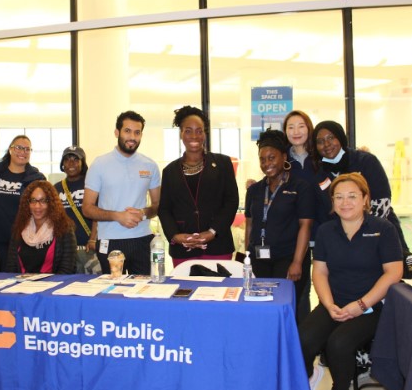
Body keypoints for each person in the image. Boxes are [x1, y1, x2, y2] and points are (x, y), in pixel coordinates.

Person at [299, 173, 403, 390]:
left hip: (371, 308)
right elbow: (320, 272)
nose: (345, 202)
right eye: (339, 197)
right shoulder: (326, 231)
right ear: (332, 202)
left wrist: (361, 305)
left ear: (365, 199)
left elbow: (394, 273)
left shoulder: (383, 229)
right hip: (334, 303)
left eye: (352, 196)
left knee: (339, 342)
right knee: (303, 338)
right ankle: (311, 375)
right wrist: (328, 304)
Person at [158, 106, 239, 267]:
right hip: (184, 249)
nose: (194, 136)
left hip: (218, 245)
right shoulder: (169, 171)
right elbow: (164, 209)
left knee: (219, 291)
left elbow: (231, 202)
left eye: (199, 131)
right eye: (188, 131)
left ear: (205, 133)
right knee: (186, 291)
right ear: (181, 133)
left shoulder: (223, 163)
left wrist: (212, 232)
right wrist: (175, 236)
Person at [82, 111, 161, 275]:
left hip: (142, 240)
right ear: (117, 132)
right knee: (111, 294)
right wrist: (118, 216)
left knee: (144, 291)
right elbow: (87, 208)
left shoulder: (150, 165)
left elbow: (157, 205)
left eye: (137, 132)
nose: (132, 137)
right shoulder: (99, 164)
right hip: (109, 241)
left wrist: (143, 213)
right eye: (127, 131)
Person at [312, 120, 409, 252]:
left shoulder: (365, 161)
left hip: (379, 235)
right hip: (342, 242)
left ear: (340, 137)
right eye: (320, 141)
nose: (326, 144)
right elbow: (323, 213)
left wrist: (362, 233)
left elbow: (382, 202)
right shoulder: (319, 173)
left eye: (331, 138)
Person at [244, 128, 314, 310]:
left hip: (288, 258)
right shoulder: (254, 190)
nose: (267, 163)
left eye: (272, 157)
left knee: (284, 307)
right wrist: (247, 258)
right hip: (259, 259)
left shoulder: (300, 187)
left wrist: (297, 262)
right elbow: (249, 225)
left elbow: (305, 226)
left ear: (284, 157)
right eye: (262, 159)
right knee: (261, 307)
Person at [0, 135, 46, 271]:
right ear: (10, 149)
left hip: (24, 241)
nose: (23, 152)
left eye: (27, 149)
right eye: (19, 147)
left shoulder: (37, 179)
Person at [283, 110, 319, 322]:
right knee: (301, 289)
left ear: (309, 128)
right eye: (290, 127)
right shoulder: (284, 160)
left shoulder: (321, 158)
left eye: (301, 126)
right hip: (298, 236)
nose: (296, 131)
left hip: (323, 231)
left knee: (329, 287)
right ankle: (302, 343)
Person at [7, 180, 76, 274]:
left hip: (53, 285)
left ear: (51, 203)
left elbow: (67, 268)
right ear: (27, 203)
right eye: (33, 200)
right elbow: (11, 266)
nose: (37, 206)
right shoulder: (19, 228)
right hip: (22, 285)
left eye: (43, 201)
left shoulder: (64, 228)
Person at [54, 146, 101, 274]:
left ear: (82, 163)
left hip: (89, 248)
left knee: (92, 287)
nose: (71, 163)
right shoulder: (56, 188)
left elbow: (98, 213)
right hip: (65, 250)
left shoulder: (91, 185)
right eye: (67, 159)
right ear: (62, 164)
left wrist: (93, 239)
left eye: (76, 159)